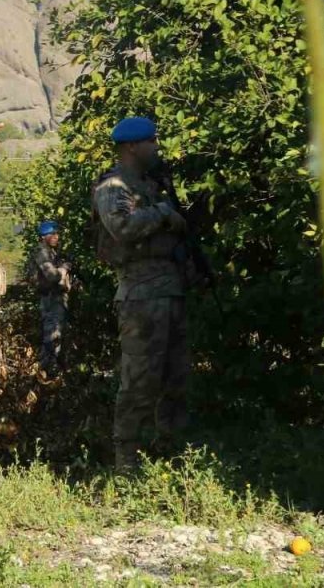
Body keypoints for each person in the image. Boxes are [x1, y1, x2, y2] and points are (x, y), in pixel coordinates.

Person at [91, 116, 191, 471]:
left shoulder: (151, 186)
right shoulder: (114, 186)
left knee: (175, 377)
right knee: (139, 380)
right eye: (151, 142)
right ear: (132, 146)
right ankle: (127, 462)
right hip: (140, 294)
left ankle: (171, 454)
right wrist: (163, 215)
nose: (156, 148)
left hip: (169, 289)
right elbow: (122, 227)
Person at [26, 221, 73, 375]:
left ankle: (51, 372)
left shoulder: (52, 252)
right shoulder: (42, 252)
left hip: (56, 299)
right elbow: (52, 276)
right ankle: (46, 374)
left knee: (57, 335)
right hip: (50, 299)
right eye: (52, 234)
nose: (56, 237)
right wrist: (64, 268)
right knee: (52, 337)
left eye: (57, 234)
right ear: (43, 236)